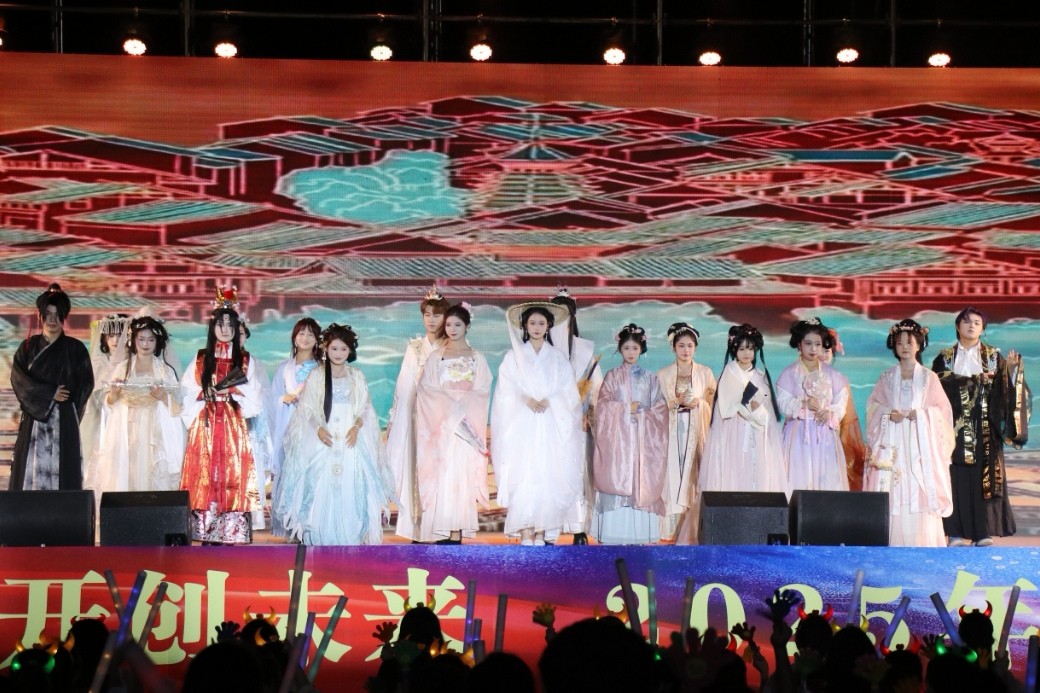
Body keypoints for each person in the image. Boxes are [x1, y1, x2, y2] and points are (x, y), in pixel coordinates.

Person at [281, 323, 392, 545]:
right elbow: (307, 408)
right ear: (326, 348)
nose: (339, 353)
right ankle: (320, 535)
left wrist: (357, 427)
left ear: (350, 350)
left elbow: (365, 407)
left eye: (343, 349)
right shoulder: (316, 375)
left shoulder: (356, 376)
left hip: (351, 438)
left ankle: (350, 536)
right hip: (324, 436)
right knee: (320, 483)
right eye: (334, 348)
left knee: (351, 482)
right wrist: (318, 428)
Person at [932, 307, 1029, 546]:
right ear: (957, 327)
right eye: (966, 322)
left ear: (983, 329)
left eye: (977, 322)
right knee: (956, 478)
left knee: (985, 478)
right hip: (954, 429)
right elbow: (936, 390)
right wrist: (975, 382)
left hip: (986, 426)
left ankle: (983, 531)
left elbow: (1007, 391)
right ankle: (954, 532)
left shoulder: (994, 357)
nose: (971, 326)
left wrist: (1010, 372)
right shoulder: (944, 358)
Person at [491, 301, 583, 546]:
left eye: (541, 323)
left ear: (549, 326)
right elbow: (505, 389)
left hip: (550, 424)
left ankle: (542, 530)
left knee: (547, 473)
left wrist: (551, 400)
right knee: (524, 472)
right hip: (522, 423)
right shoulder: (513, 356)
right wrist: (525, 399)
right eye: (532, 322)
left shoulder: (558, 358)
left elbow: (568, 391)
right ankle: (524, 530)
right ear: (524, 325)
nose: (536, 327)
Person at [179, 286, 263, 544]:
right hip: (205, 422)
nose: (225, 329)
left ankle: (230, 531)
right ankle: (204, 530)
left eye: (230, 324)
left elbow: (255, 399)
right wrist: (205, 393)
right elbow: (186, 391)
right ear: (212, 327)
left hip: (232, 423)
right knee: (205, 473)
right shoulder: (201, 358)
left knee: (231, 474)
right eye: (220, 324)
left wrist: (233, 390)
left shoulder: (246, 360)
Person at [864, 319, 954, 547]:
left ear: (919, 345)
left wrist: (922, 415)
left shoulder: (929, 377)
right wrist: (887, 413)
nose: (904, 347)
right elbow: (873, 406)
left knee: (918, 486)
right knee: (893, 488)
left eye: (909, 342)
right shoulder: (886, 377)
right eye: (900, 342)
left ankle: (921, 543)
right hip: (893, 441)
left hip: (919, 441)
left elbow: (943, 411)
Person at [414, 303, 492, 545]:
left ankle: (457, 531)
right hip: (443, 425)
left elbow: (482, 389)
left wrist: (462, 407)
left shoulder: (477, 358)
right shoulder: (436, 357)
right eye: (448, 324)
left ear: (467, 327)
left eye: (458, 324)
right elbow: (426, 389)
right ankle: (441, 528)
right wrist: (449, 407)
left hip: (466, 424)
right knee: (443, 474)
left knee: (461, 475)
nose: (452, 329)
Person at [9, 283, 94, 490]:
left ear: (64, 317)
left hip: (64, 420)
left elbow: (86, 385)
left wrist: (70, 410)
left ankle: (64, 511)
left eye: (58, 315)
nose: (52, 320)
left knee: (63, 471)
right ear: (40, 316)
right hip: (34, 418)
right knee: (30, 469)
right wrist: (49, 394)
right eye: (47, 314)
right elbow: (18, 379)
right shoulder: (28, 347)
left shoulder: (76, 349)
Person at [87, 315, 184, 494]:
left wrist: (163, 397)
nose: (146, 344)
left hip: (155, 427)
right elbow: (108, 404)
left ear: (157, 342)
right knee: (127, 470)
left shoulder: (165, 371)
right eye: (141, 339)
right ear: (133, 340)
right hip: (127, 426)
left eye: (150, 339)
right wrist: (114, 395)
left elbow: (178, 406)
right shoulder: (122, 368)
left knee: (154, 470)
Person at [593, 324, 669, 544]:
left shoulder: (650, 378)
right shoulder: (612, 376)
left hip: (643, 440)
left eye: (635, 348)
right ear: (620, 349)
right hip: (618, 442)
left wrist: (643, 414)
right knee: (619, 477)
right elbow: (602, 406)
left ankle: (640, 535)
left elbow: (661, 409)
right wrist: (625, 408)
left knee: (640, 479)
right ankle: (614, 535)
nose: (631, 352)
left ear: (641, 349)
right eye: (626, 348)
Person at [386, 286, 449, 542]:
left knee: (443, 472)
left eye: (437, 315)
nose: (432, 320)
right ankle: (418, 529)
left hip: (443, 421)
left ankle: (443, 528)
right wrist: (396, 419)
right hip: (417, 420)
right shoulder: (414, 348)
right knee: (418, 471)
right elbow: (403, 388)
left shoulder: (452, 347)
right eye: (427, 315)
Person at [699, 323, 789, 499]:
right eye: (741, 349)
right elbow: (724, 408)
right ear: (734, 350)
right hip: (733, 430)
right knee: (734, 468)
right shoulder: (728, 373)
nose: (746, 353)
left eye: (750, 348)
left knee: (756, 471)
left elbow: (768, 409)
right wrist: (746, 408)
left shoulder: (761, 376)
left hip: (757, 431)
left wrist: (759, 412)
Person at [550, 288, 603, 545]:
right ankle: (549, 526)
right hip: (549, 423)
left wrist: (589, 414)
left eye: (566, 315)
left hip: (576, 423)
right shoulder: (542, 349)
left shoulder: (584, 351)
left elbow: (597, 389)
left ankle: (579, 528)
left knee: (578, 474)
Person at [656, 322, 716, 544]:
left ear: (695, 347)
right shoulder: (663, 374)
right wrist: (675, 402)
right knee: (671, 475)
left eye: (690, 345)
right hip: (672, 431)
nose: (686, 350)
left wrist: (699, 403)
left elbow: (713, 404)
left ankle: (691, 528)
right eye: (681, 345)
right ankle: (670, 528)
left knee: (693, 474)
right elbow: (656, 407)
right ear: (673, 347)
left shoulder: (705, 373)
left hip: (696, 429)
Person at [776, 318, 850, 491]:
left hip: (824, 433)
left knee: (826, 478)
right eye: (808, 344)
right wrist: (803, 403)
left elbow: (841, 402)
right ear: (799, 345)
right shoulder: (789, 373)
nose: (813, 349)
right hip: (798, 433)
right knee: (798, 476)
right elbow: (783, 403)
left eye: (817, 344)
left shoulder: (833, 374)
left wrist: (830, 412)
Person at [267, 317, 321, 536]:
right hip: (287, 425)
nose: (305, 338)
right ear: (294, 337)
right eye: (301, 333)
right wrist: (284, 399)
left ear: (317, 340)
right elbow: (272, 399)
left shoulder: (321, 368)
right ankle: (290, 525)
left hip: (312, 429)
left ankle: (309, 524)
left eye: (310, 334)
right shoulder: (284, 368)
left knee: (310, 473)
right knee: (289, 471)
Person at [79, 313, 130, 490]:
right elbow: (90, 394)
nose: (116, 340)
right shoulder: (98, 363)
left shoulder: (133, 362)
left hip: (127, 420)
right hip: (101, 420)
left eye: (120, 335)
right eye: (111, 336)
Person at [238, 321, 273, 531]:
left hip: (248, 422)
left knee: (249, 468)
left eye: (241, 333)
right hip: (222, 422)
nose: (236, 336)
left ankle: (252, 517)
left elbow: (263, 394)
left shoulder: (253, 363)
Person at [823, 329, 868, 491]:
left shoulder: (839, 379)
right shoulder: (799, 375)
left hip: (832, 437)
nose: (823, 354)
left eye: (827, 350)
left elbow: (846, 418)